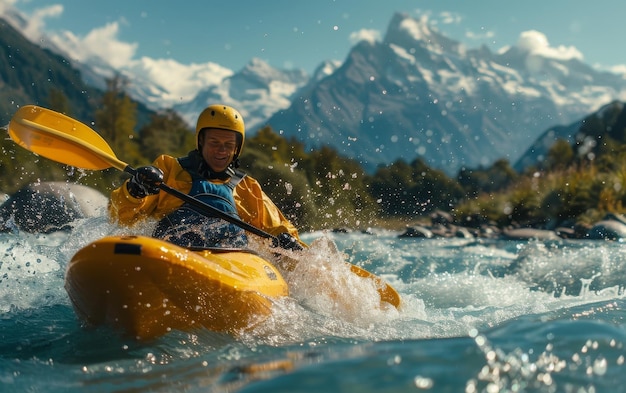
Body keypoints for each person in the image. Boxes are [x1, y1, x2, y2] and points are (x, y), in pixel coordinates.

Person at [108, 104, 304, 250]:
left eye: (228, 145)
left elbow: (278, 227)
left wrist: (287, 241)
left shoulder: (248, 187)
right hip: (171, 255)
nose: (221, 150)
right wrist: (134, 190)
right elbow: (119, 218)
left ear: (237, 149)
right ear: (200, 141)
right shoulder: (168, 170)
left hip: (229, 267)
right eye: (214, 142)